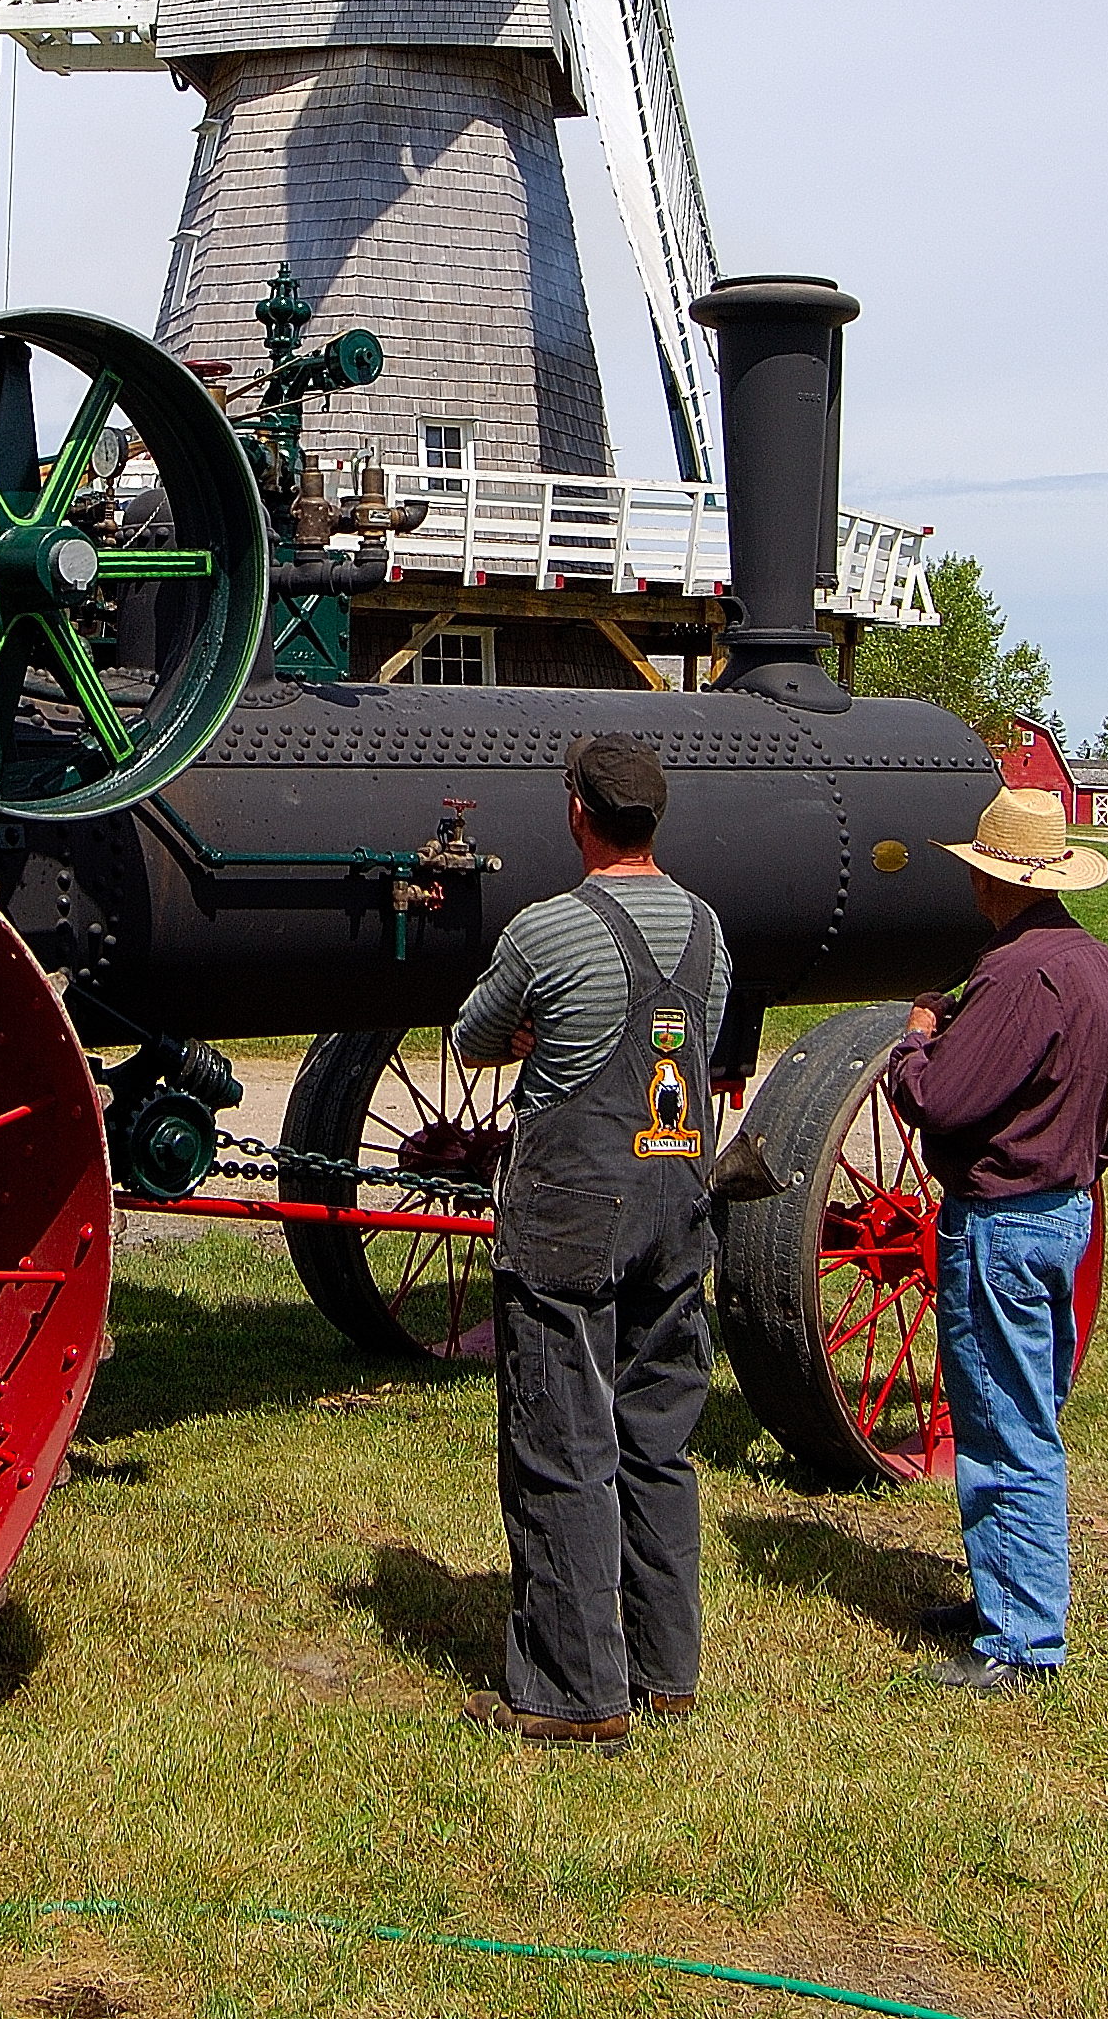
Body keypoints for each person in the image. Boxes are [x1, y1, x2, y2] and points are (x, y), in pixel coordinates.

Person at [444, 735, 736, 1754]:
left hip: (571, 1206)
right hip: (676, 1195)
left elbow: (472, 1037)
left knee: (563, 1443)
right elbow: (696, 1035)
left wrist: (527, 1036)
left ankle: (574, 1696)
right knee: (659, 1438)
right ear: (654, 819)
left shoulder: (546, 930)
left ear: (577, 812)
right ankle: (666, 1672)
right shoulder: (708, 931)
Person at [879, 783, 1108, 1693]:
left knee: (1004, 1425)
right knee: (1023, 1411)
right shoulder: (1102, 967)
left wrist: (916, 1042)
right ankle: (1003, 1591)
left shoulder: (1013, 973)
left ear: (995, 883)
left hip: (1002, 1219)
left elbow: (942, 1099)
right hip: (1063, 1211)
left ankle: (1023, 1640)